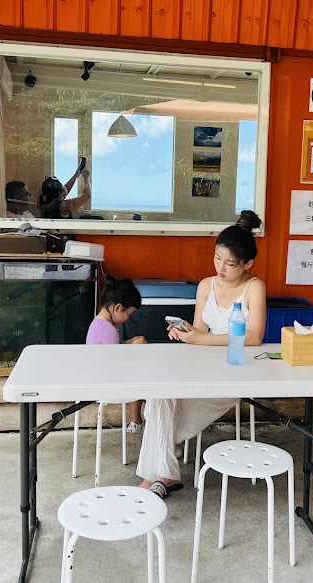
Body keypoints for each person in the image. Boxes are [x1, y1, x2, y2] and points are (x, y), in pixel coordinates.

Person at [136, 210, 267, 498]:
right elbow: (198, 330)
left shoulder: (254, 287)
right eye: (217, 258)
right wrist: (185, 332)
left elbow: (254, 337)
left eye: (230, 263)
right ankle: (163, 475)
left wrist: (201, 339)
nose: (221, 267)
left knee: (160, 410)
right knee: (160, 395)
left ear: (247, 264)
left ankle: (159, 477)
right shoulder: (206, 285)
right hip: (201, 366)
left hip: (235, 372)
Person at [86, 275, 146, 431]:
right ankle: (136, 420)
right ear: (118, 308)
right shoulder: (108, 330)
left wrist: (130, 343)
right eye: (129, 314)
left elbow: (112, 352)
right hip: (107, 384)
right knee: (140, 374)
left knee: (137, 345)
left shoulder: (98, 323)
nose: (128, 318)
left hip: (98, 377)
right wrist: (135, 348)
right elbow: (116, 364)